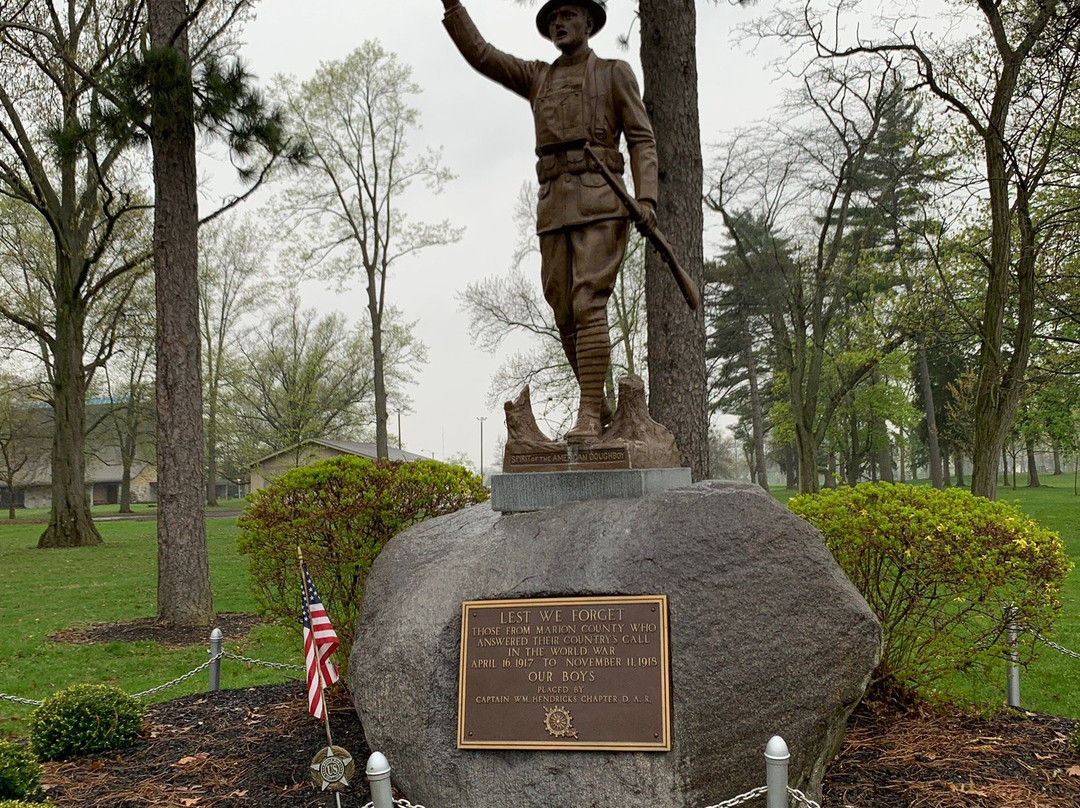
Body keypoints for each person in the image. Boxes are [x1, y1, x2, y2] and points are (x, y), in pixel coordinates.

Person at [439, 0, 658, 441]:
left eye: (568, 15)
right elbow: (482, 54)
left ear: (589, 23)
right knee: (563, 312)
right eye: (552, 19)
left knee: (587, 303)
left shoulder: (614, 73)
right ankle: (598, 404)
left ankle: (588, 416)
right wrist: (452, 5)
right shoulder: (539, 77)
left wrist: (647, 197)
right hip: (553, 205)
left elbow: (641, 138)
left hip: (602, 201)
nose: (559, 23)